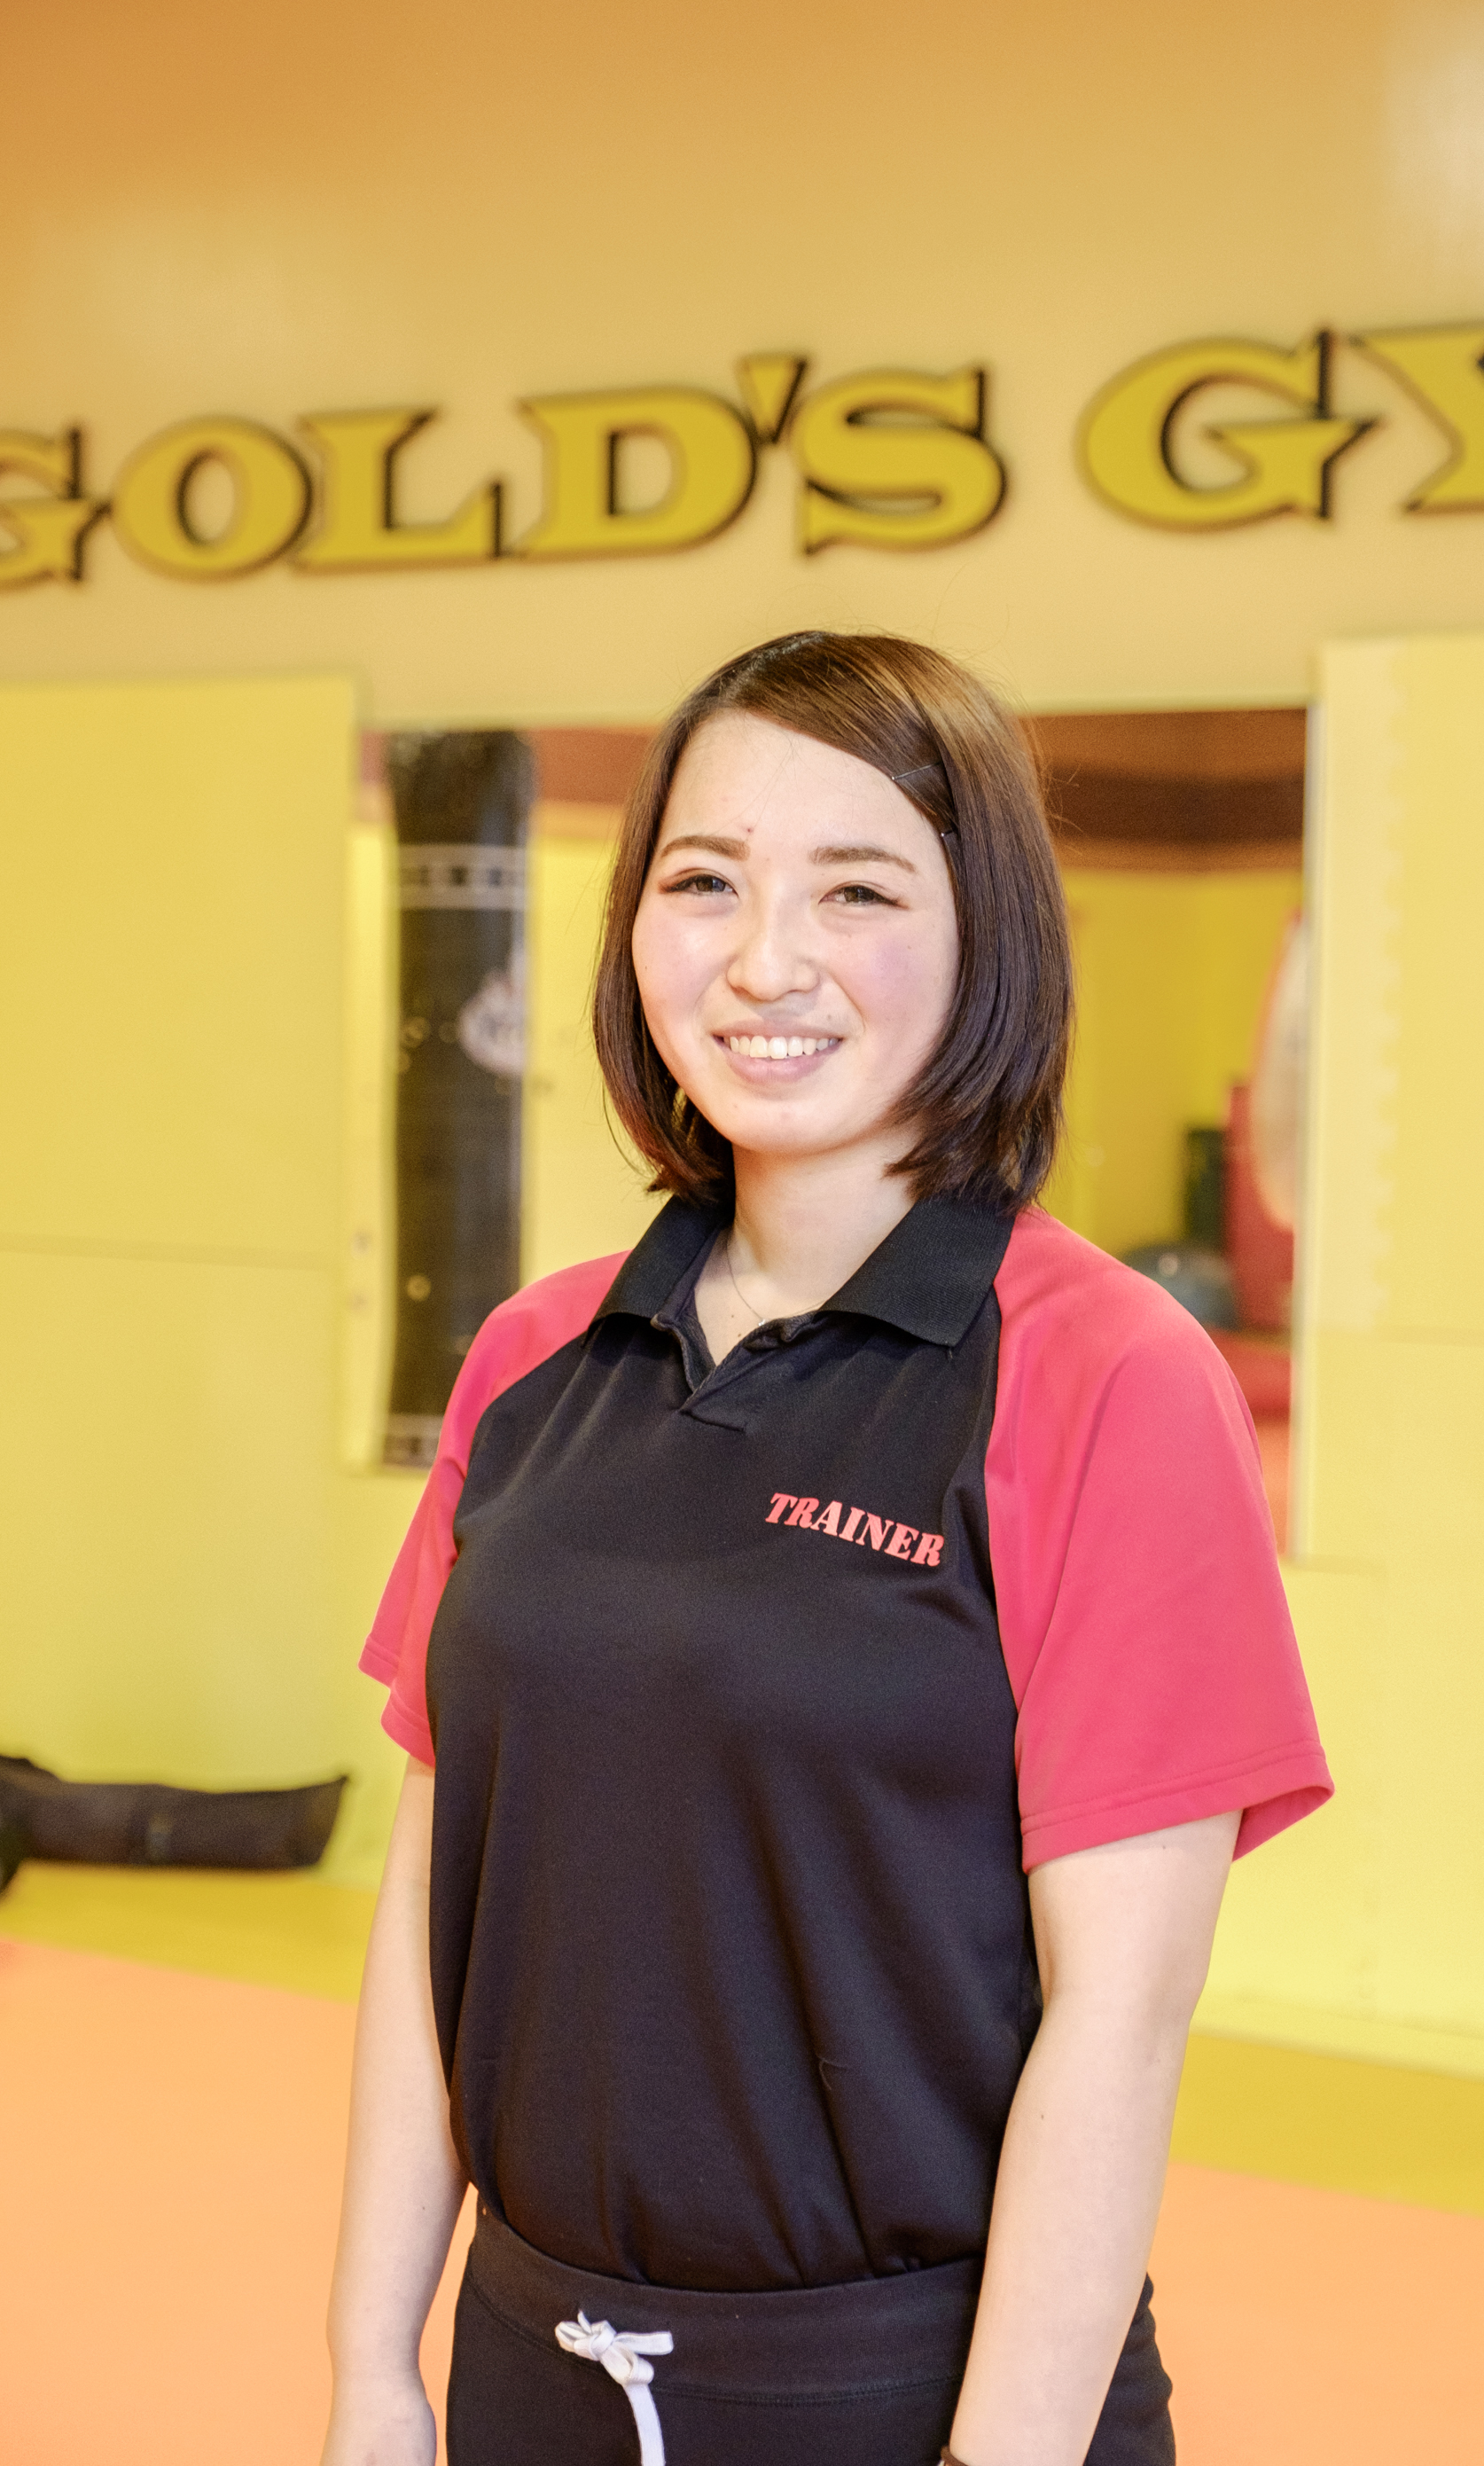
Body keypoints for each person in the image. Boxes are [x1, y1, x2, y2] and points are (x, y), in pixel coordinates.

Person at [322, 631, 1332, 2466]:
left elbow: (1118, 2019)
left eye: (856, 889)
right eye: (704, 881)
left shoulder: (1105, 1374)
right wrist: (373, 2364)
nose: (764, 960)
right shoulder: (535, 1355)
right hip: (531, 2365)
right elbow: (428, 1893)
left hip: (916, 2395)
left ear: (984, 936)